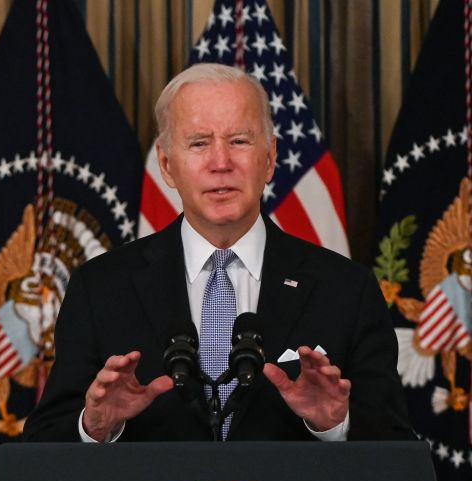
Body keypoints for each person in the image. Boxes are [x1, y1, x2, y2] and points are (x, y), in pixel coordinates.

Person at [23, 64, 410, 443]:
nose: (221, 163)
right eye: (199, 143)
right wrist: (95, 426)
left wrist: (335, 424)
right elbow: (42, 449)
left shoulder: (345, 289)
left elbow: (396, 451)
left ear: (271, 158)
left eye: (239, 141)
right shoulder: (101, 289)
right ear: (167, 165)